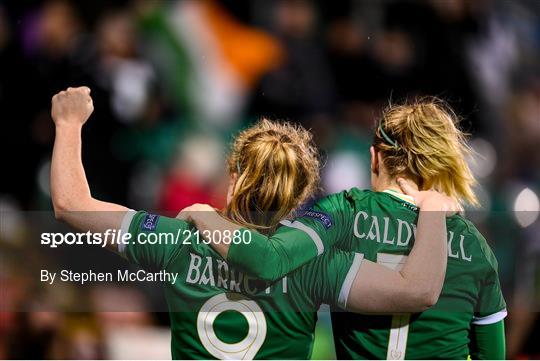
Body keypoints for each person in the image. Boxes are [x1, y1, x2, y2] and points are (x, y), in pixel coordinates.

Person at [50, 87, 455, 359]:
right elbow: (418, 291)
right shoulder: (317, 264)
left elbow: (70, 204)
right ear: (299, 197)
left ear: (232, 175)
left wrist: (69, 124)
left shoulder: (177, 240)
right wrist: (432, 209)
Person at [178, 98, 507, 359]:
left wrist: (204, 215)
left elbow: (268, 260)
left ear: (375, 158)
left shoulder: (344, 212)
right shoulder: (475, 247)